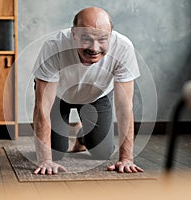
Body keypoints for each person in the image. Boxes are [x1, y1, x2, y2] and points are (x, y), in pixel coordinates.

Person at [32, 6, 144, 175]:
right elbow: (43, 107)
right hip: (58, 96)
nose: (94, 48)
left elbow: (124, 107)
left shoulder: (123, 48)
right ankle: (64, 136)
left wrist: (126, 158)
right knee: (55, 153)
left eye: (102, 39)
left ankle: (80, 135)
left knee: (103, 153)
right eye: (86, 38)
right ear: (74, 34)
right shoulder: (54, 46)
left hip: (97, 95)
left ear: (111, 36)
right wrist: (45, 160)